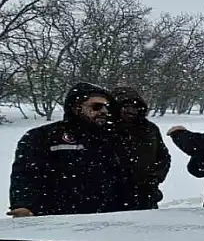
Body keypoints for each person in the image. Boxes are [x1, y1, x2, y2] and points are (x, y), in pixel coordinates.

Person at [8, 82, 127, 217]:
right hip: (54, 220)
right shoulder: (42, 136)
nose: (104, 111)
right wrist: (23, 205)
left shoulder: (113, 138)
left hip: (104, 220)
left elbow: (124, 180)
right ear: (76, 107)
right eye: (97, 106)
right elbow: (25, 175)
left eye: (107, 107)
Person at [110, 86, 172, 211]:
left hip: (145, 196)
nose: (131, 111)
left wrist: (154, 178)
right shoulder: (103, 129)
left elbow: (163, 157)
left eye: (135, 107)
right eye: (126, 107)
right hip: (110, 198)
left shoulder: (149, 129)